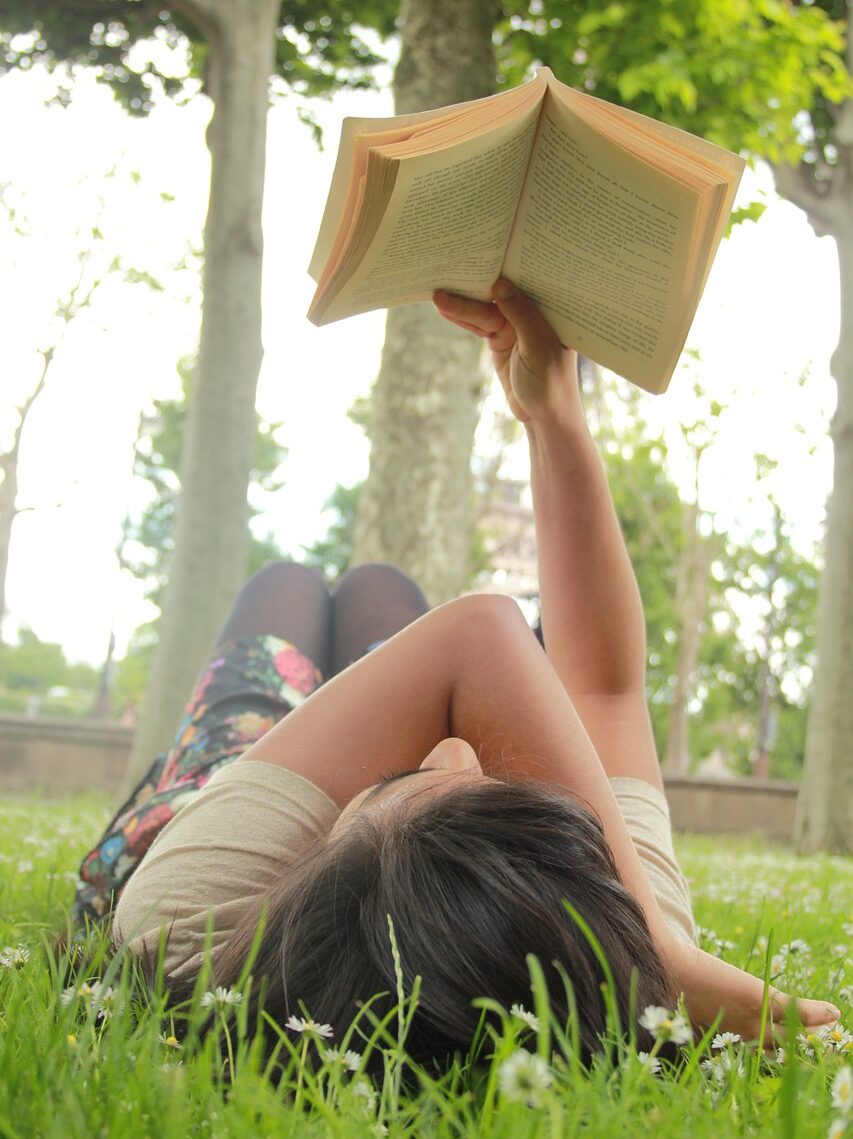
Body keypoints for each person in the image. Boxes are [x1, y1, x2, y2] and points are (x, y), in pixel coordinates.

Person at [74, 279, 839, 1076]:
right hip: (573, 907)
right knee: (386, 596)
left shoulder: (188, 919)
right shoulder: (600, 909)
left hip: (211, 789)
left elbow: (476, 635)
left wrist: (662, 958)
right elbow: (606, 690)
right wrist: (552, 413)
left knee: (289, 584)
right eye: (496, 782)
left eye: (399, 776)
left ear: (317, 877)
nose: (449, 741)